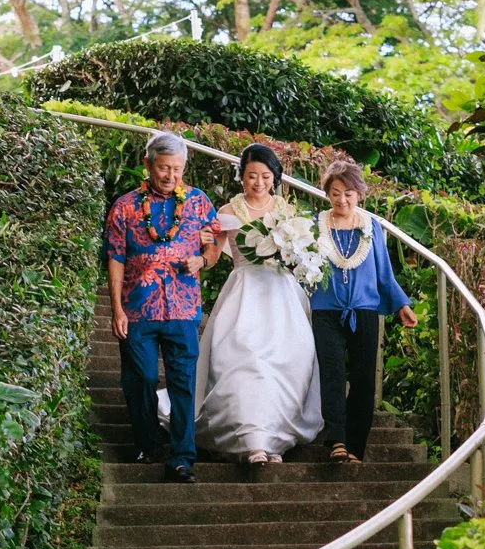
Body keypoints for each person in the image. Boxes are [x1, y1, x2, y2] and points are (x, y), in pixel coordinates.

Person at [195, 143, 322, 466]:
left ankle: (274, 440)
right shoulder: (226, 213)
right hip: (243, 293)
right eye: (252, 175)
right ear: (242, 176)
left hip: (282, 297)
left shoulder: (287, 211)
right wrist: (201, 252)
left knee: (287, 363)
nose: (259, 182)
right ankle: (254, 443)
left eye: (266, 176)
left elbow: (300, 254)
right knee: (244, 360)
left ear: (275, 177)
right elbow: (212, 257)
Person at [105, 131, 219, 483]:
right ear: (148, 164)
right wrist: (116, 308)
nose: (171, 176)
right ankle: (148, 442)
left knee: (183, 380)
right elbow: (115, 257)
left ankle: (183, 457)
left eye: (178, 169)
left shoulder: (198, 202)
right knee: (141, 377)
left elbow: (214, 247)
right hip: (138, 307)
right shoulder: (125, 205)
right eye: (164, 168)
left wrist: (202, 260)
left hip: (183, 308)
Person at [310, 156, 417, 467]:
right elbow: (304, 268)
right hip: (326, 310)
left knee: (363, 379)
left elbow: (384, 273)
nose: (342, 200)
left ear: (359, 195)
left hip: (365, 310)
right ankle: (337, 441)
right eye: (335, 193)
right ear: (327, 193)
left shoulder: (371, 227)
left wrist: (401, 305)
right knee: (331, 374)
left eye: (349, 194)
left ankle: (356, 446)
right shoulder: (317, 226)